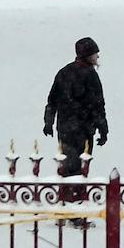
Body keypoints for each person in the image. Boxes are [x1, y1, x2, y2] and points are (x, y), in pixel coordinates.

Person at [43, 37, 108, 222]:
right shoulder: (90, 75)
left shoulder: (63, 72)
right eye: (95, 53)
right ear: (88, 55)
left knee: (66, 167)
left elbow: (52, 100)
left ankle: (64, 207)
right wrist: (103, 129)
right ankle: (76, 211)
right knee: (80, 169)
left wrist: (48, 122)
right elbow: (98, 104)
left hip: (64, 128)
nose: (97, 57)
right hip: (83, 129)